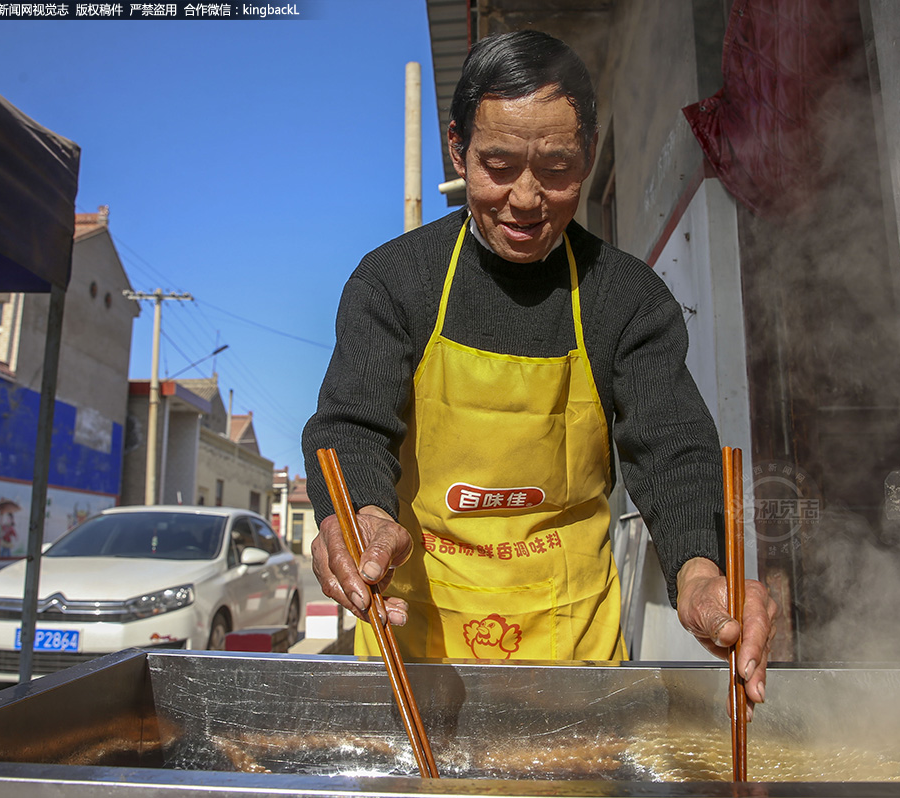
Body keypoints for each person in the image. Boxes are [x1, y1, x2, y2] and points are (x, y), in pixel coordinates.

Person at [303, 30, 776, 715]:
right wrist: (362, 519)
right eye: (497, 165)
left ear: (586, 156)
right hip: (416, 647)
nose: (526, 199)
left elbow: (671, 448)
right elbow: (350, 425)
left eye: (557, 169)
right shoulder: (394, 282)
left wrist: (702, 576)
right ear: (456, 149)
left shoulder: (625, 297)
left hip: (570, 654)